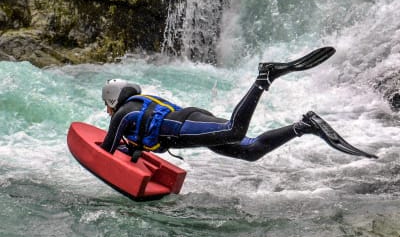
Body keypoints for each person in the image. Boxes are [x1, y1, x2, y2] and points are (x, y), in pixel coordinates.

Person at [100, 47, 377, 161]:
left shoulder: (123, 114)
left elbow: (106, 151)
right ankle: (305, 126)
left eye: (107, 105)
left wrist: (116, 149)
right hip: (190, 122)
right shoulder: (136, 107)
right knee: (251, 151)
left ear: (113, 100)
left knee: (235, 130)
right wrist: (134, 149)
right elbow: (134, 145)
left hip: (184, 126)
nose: (107, 110)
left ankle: (263, 77)